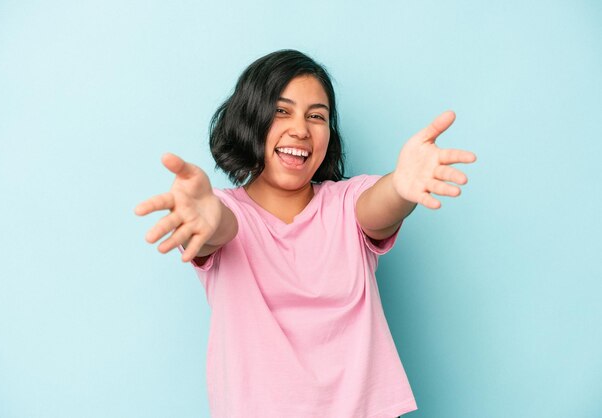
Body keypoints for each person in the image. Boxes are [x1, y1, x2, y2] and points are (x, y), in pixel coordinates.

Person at [135, 49, 476, 418]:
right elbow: (219, 225)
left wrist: (400, 187)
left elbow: (378, 207)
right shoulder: (226, 213)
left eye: (317, 116)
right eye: (282, 110)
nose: (300, 128)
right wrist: (203, 215)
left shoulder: (346, 203)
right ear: (251, 119)